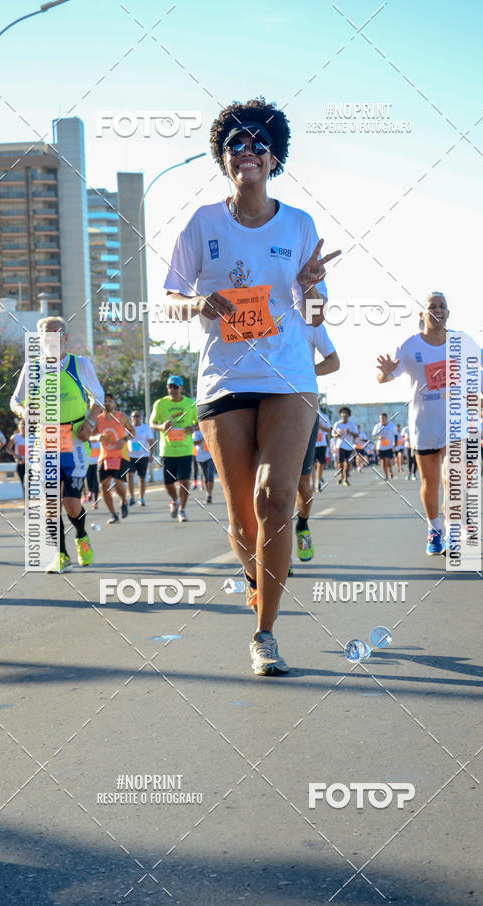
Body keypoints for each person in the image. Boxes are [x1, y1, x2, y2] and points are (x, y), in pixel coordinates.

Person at [163, 98, 340, 675]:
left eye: (258, 143)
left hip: (289, 375)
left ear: (274, 156)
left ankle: (264, 634)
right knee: (242, 521)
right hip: (224, 379)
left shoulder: (299, 225)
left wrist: (311, 285)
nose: (248, 151)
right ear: (223, 157)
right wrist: (196, 303)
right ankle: (251, 573)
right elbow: (168, 299)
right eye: (236, 143)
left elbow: (312, 317)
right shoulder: (202, 224)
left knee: (274, 498)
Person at [377, 291, 483, 555]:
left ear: (448, 313)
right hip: (424, 425)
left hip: (456, 425)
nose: (438, 309)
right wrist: (385, 373)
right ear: (422, 314)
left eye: (442, 306)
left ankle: (453, 533)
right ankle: (433, 531)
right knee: (429, 482)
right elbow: (385, 377)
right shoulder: (410, 346)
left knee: (453, 479)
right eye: (432, 305)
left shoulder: (462, 341)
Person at [11, 316, 104, 572]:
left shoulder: (79, 364)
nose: (50, 340)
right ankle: (60, 555)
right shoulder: (32, 368)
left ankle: (82, 536)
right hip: (46, 441)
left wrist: (91, 422)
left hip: (75, 441)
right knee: (50, 503)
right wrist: (24, 412)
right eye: (45, 336)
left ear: (65, 338)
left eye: (56, 334)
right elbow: (14, 401)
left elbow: (99, 397)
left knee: (71, 503)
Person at [294, 322, 340, 562]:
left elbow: (334, 361)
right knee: (267, 481)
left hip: (302, 407)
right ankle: (275, 553)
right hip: (260, 403)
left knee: (302, 482)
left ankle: (302, 524)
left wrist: (305, 369)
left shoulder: (308, 317)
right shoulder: (259, 308)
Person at [149, 376, 198, 523]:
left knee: (184, 481)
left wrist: (194, 427)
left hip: (185, 450)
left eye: (176, 387)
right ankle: (175, 500)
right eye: (170, 386)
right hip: (168, 450)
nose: (173, 389)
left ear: (182, 388)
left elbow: (201, 422)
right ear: (167, 388)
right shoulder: (160, 404)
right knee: (168, 483)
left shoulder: (190, 404)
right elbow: (152, 423)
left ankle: (182, 510)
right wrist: (161, 426)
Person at [95, 393, 133, 524]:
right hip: (104, 456)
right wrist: (95, 438)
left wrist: (124, 439)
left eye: (110, 401)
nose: (107, 403)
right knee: (103, 486)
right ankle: (113, 514)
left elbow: (133, 431)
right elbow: (89, 434)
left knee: (118, 484)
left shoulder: (121, 417)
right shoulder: (97, 419)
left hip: (121, 456)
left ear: (114, 404)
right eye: (105, 401)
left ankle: (123, 500)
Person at [127, 410, 154, 506]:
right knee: (129, 475)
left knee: (141, 478)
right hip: (130, 456)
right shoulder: (128, 428)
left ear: (141, 417)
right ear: (131, 418)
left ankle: (141, 498)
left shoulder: (145, 428)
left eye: (138, 416)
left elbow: (151, 441)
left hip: (143, 456)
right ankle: (132, 497)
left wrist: (151, 454)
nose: (136, 418)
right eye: (134, 416)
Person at [332, 406, 358, 486]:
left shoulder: (352, 424)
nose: (344, 414)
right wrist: (337, 435)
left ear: (348, 415)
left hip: (349, 446)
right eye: (342, 413)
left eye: (346, 413)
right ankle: (341, 475)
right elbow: (332, 434)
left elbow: (356, 435)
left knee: (348, 463)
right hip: (340, 445)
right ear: (340, 415)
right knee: (340, 463)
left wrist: (350, 432)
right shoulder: (337, 424)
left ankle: (346, 479)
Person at [372, 412, 397, 481]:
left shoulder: (391, 426)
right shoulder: (377, 426)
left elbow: (396, 435)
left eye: (383, 418)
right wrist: (378, 437)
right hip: (380, 447)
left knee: (388, 460)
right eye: (380, 418)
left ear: (386, 418)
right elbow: (374, 436)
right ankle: (386, 475)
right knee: (383, 461)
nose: (382, 419)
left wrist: (395, 444)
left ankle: (390, 470)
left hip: (389, 446)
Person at [192, 425, 215, 503]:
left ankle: (210, 494)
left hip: (210, 456)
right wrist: (203, 438)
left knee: (210, 474)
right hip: (200, 458)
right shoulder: (196, 433)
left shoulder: (209, 430)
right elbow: (194, 442)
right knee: (205, 476)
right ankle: (207, 493)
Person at [5, 419, 26, 492]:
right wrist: (16, 456)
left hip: (31, 464)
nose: (23, 426)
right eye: (21, 424)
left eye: (25, 424)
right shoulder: (15, 437)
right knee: (24, 483)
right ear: (18, 426)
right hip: (20, 463)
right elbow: (8, 448)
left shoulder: (33, 437)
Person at [314, 410, 332, 492]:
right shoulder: (307, 413)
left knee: (320, 464)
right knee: (311, 464)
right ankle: (311, 482)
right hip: (311, 443)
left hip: (321, 443)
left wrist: (320, 427)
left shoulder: (324, 416)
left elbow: (329, 430)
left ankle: (318, 483)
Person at [85, 436, 100, 508]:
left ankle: (95, 502)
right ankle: (90, 491)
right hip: (88, 464)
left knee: (95, 483)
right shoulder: (87, 438)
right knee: (89, 482)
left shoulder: (100, 437)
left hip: (97, 464)